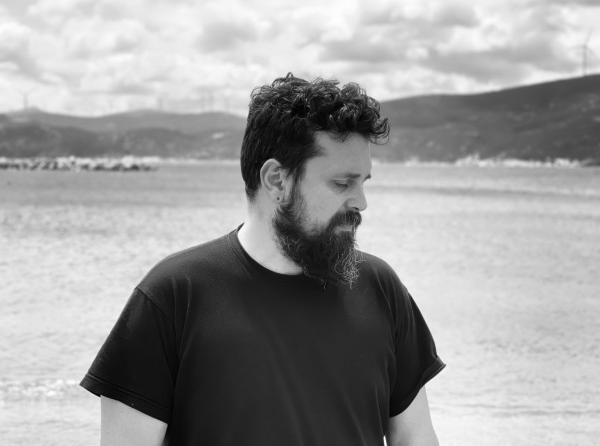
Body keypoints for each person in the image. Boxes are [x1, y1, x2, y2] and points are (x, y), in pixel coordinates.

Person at [80, 73, 445, 446]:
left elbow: (415, 436)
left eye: (363, 182)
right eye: (341, 183)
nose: (361, 203)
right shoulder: (173, 296)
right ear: (276, 180)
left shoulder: (380, 288)